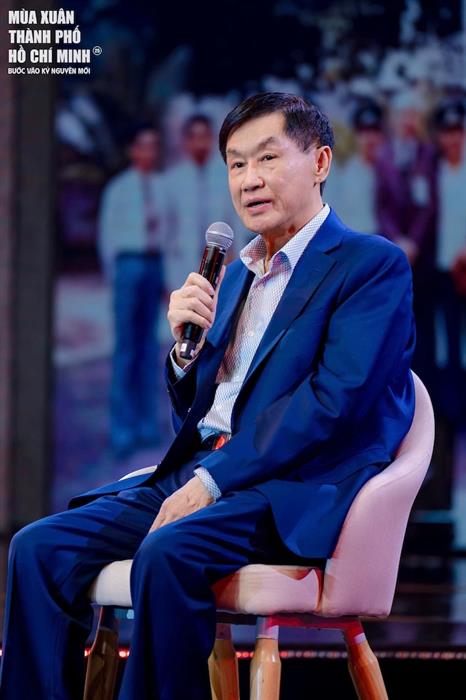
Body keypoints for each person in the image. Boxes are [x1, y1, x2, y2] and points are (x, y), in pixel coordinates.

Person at [0, 93, 415, 700]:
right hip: (203, 472)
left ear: (320, 162)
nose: (249, 179)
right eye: (236, 164)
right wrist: (183, 355)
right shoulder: (237, 273)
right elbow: (200, 416)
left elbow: (332, 403)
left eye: (267, 158)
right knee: (37, 549)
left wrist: (214, 480)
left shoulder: (369, 266)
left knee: (167, 553)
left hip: (286, 487)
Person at [98, 123, 169, 458]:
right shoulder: (119, 188)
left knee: (148, 347)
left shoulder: (162, 187)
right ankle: (122, 429)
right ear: (133, 150)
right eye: (143, 145)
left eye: (154, 146)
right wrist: (115, 277)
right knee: (126, 348)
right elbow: (107, 235)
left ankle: (146, 424)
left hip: (154, 263)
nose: (149, 152)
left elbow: (169, 231)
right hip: (128, 263)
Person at [163, 113, 242, 291]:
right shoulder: (173, 180)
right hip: (183, 264)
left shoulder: (227, 175)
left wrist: (238, 259)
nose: (200, 143)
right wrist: (168, 277)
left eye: (204, 136)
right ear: (185, 141)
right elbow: (167, 234)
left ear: (212, 139)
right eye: (194, 137)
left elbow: (236, 221)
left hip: (224, 263)